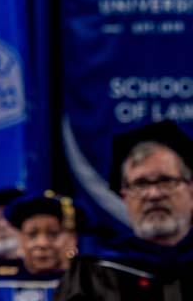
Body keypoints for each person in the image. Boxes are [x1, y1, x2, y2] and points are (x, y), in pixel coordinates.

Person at [55, 120, 193, 300]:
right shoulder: (93, 273)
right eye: (140, 184)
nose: (153, 194)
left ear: (190, 188)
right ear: (124, 196)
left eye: (165, 180)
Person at [0, 191, 78, 301]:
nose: (42, 243)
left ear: (72, 239)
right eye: (32, 234)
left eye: (53, 234)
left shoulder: (82, 283)